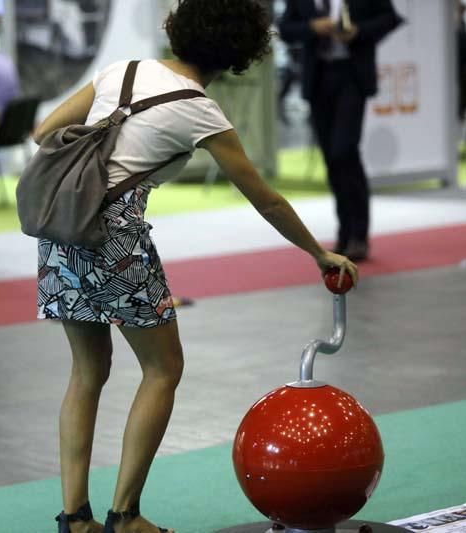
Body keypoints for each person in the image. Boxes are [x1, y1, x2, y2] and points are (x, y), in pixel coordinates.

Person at [29, 1, 359, 531]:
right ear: (238, 54)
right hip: (117, 239)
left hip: (62, 231)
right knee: (163, 369)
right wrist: (320, 253)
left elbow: (45, 130)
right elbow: (266, 200)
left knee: (87, 373)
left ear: (177, 29)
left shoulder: (122, 70)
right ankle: (125, 516)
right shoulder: (199, 109)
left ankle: (75, 517)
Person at [278, 0, 403, 262]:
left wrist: (358, 31)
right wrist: (311, 27)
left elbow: (390, 18)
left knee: (344, 151)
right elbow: (286, 28)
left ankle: (359, 233)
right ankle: (345, 232)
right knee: (331, 159)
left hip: (352, 76)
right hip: (319, 78)